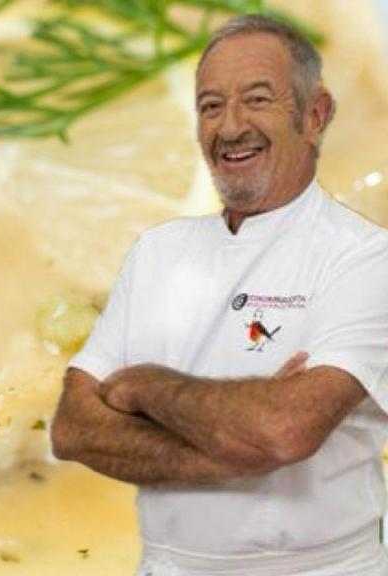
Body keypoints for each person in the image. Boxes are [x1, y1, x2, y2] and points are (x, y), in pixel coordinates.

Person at [50, 13, 388, 576]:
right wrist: (238, 442)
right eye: (211, 106)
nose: (231, 127)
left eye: (257, 100)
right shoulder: (157, 250)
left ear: (315, 114)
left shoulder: (365, 256)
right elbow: (73, 430)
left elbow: (285, 430)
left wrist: (143, 386)